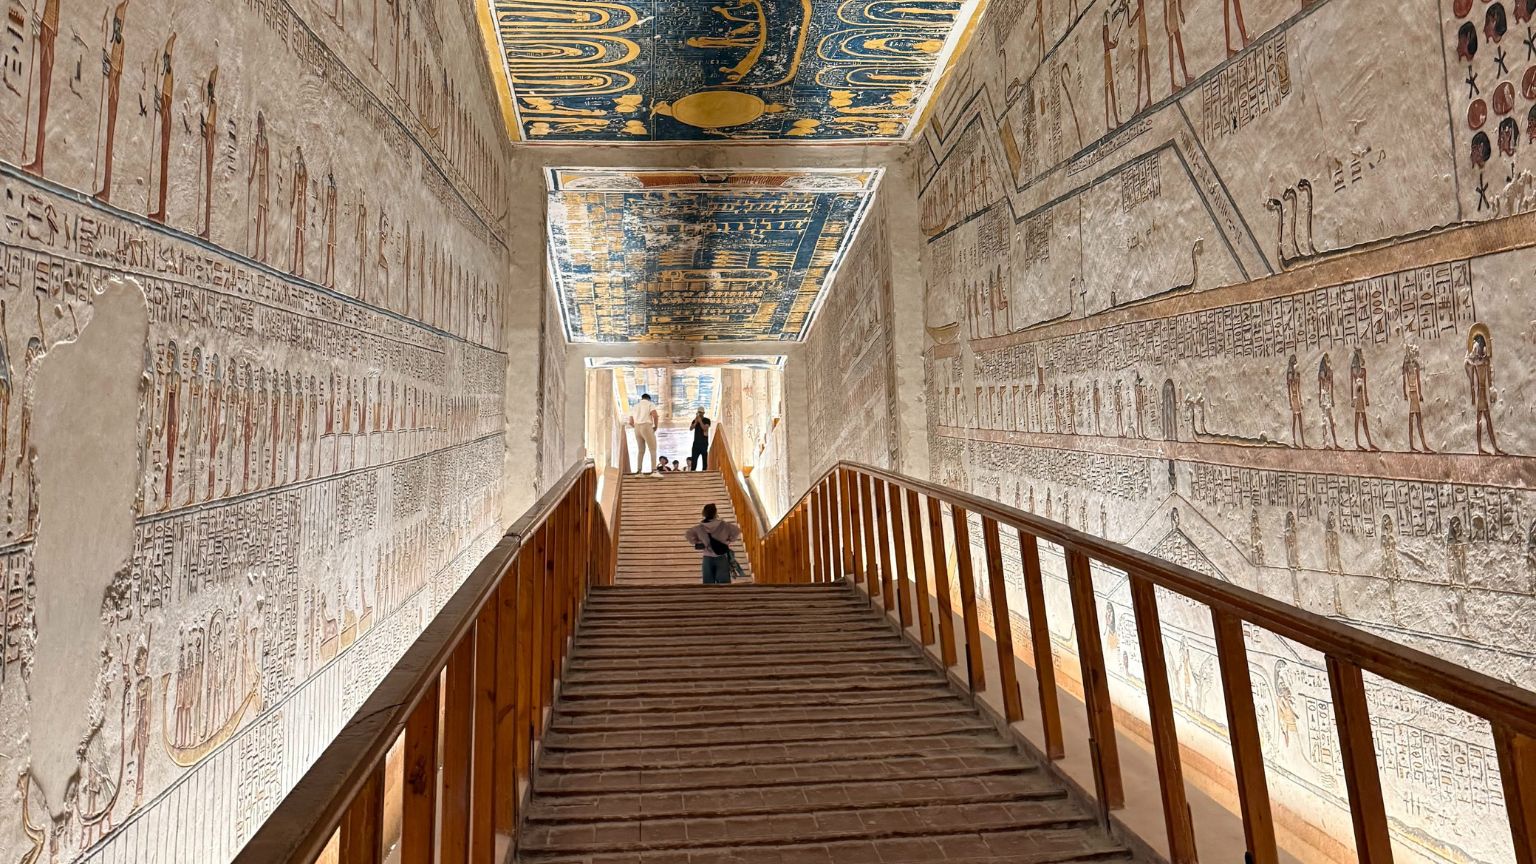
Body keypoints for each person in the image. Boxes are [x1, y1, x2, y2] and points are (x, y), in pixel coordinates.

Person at [685, 503, 741, 585]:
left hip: (707, 557)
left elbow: (688, 534)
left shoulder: (699, 528)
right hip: (721, 556)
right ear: (715, 513)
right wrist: (729, 540)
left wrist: (698, 542)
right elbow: (736, 530)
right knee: (724, 583)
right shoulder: (724, 525)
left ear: (704, 513)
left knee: (708, 583)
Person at [627, 393, 659, 473]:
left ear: (642, 398)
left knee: (641, 450)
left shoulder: (635, 406)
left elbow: (630, 422)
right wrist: (656, 426)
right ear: (649, 399)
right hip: (646, 426)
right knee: (653, 448)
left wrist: (638, 428)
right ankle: (654, 470)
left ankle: (639, 470)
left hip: (637, 427)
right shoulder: (650, 404)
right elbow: (655, 415)